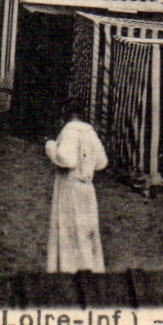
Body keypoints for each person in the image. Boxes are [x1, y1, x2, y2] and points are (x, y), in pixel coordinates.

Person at [44, 103, 108, 273]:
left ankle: (70, 271)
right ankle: (89, 270)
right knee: (87, 232)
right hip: (87, 188)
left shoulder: (68, 131)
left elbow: (67, 160)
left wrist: (51, 147)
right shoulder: (90, 132)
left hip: (70, 187)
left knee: (69, 230)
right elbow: (102, 162)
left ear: (67, 114)